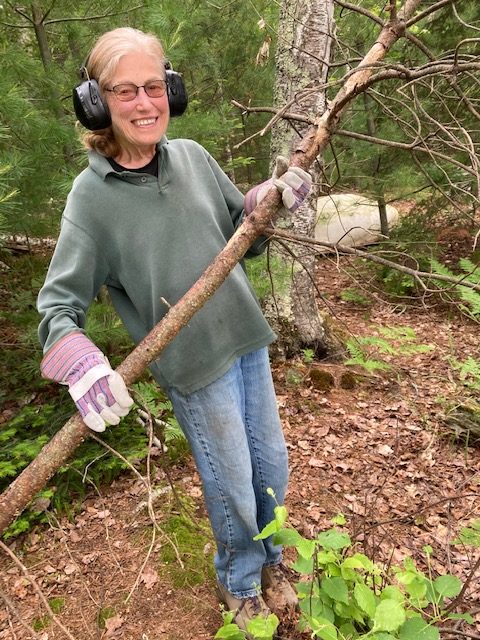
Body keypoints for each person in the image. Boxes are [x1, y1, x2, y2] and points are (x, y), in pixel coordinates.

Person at [37, 27, 311, 634]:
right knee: (232, 482)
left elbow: (244, 234)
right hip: (191, 365)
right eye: (126, 90)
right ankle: (239, 583)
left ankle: (271, 562)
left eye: (155, 87)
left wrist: (269, 201)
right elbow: (57, 307)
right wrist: (80, 362)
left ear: (172, 90)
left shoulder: (190, 156)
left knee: (272, 470)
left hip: (244, 339)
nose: (144, 103)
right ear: (96, 102)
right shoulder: (91, 198)